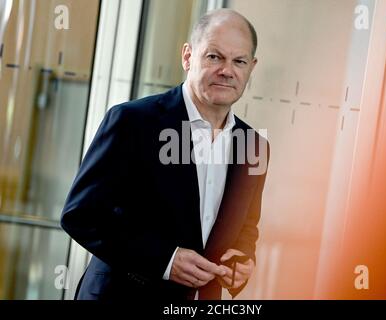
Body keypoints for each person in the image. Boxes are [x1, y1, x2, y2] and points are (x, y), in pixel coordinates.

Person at [61, 8, 269, 300]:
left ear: (252, 67)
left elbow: (247, 227)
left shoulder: (254, 146)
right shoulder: (132, 122)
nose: (227, 70)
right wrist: (166, 261)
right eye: (214, 56)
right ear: (187, 56)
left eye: (239, 61)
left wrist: (243, 261)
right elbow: (81, 215)